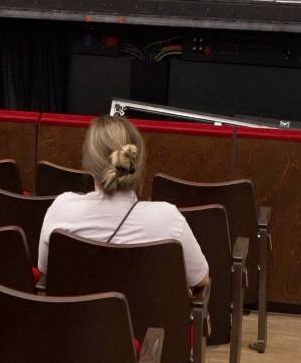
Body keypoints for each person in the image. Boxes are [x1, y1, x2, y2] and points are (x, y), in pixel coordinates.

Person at [36, 116, 210, 292]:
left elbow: (45, 269)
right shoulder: (168, 219)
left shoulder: (61, 209)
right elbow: (200, 280)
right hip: (147, 320)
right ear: (138, 161)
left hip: (77, 319)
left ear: (89, 163)